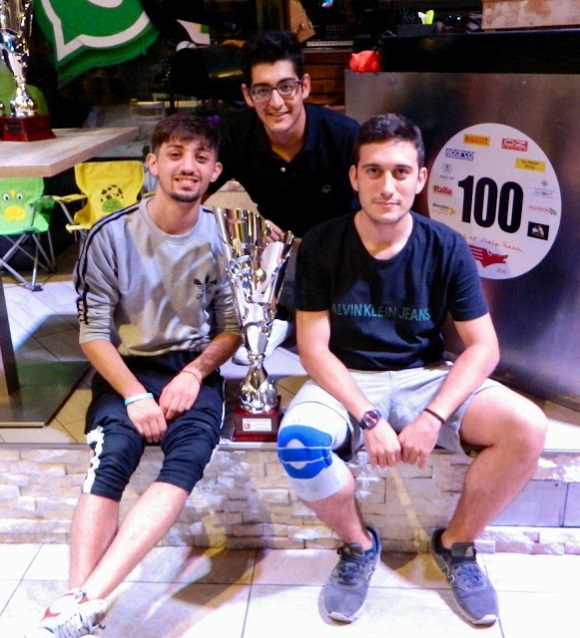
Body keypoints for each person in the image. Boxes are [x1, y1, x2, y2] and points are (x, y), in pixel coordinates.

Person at [276, 113, 547, 626]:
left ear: (420, 178)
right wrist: (368, 417)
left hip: (424, 376)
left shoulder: (446, 245)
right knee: (297, 444)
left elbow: (483, 347)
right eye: (373, 171)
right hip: (346, 378)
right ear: (354, 176)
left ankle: (457, 544)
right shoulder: (321, 244)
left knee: (527, 426)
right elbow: (313, 349)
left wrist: (432, 416)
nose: (387, 186)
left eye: (401, 172)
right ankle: (358, 546)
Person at [26, 112, 241, 638]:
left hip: (192, 369)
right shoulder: (109, 236)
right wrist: (134, 396)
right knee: (112, 456)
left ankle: (79, 605)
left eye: (201, 158)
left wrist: (195, 374)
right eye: (175, 154)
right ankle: (82, 604)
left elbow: (232, 329)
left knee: (186, 460)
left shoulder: (225, 238)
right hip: (126, 367)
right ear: (152, 164)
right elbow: (92, 334)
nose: (188, 166)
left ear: (215, 171)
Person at [209, 30, 360, 364]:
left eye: (286, 87)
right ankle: (276, 317)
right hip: (278, 258)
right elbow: (191, 193)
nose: (276, 103)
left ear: (304, 86)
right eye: (262, 90)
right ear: (248, 95)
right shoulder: (236, 138)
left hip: (342, 254)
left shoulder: (345, 137)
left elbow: (380, 209)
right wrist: (243, 224)